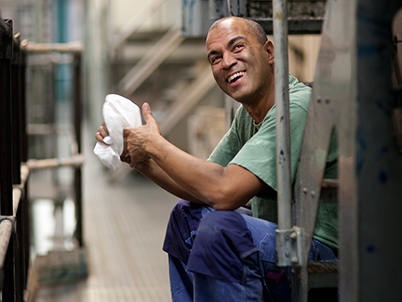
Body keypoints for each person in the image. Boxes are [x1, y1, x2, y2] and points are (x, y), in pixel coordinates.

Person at [95, 16, 338, 302]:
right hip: (283, 244)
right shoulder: (248, 115)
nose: (227, 62)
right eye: (215, 58)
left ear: (269, 52)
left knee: (219, 230)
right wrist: (142, 159)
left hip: (323, 255)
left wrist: (156, 145)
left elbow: (224, 192)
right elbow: (201, 190)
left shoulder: (295, 107)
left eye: (237, 47)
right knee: (186, 216)